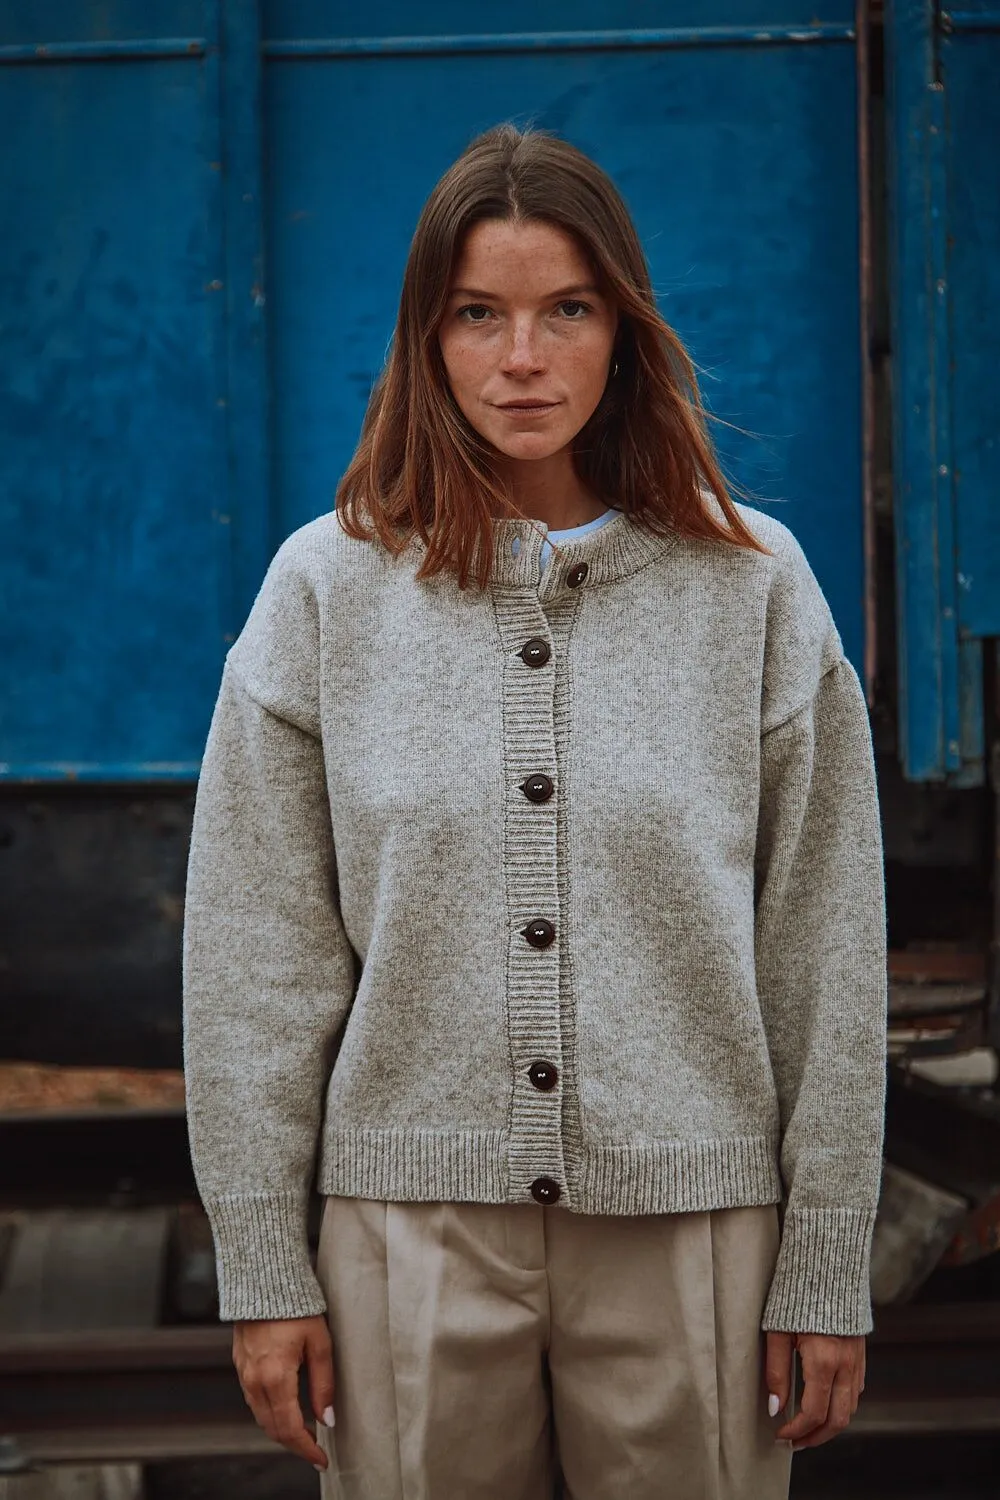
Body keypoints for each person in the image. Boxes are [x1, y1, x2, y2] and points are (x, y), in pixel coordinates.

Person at [182, 124, 887, 1500]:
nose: (524, 357)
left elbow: (825, 948)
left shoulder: (750, 584)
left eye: (567, 310)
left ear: (622, 329)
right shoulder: (326, 592)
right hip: (407, 1234)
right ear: (426, 340)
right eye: (479, 316)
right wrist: (264, 1263)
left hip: (696, 1224)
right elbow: (255, 961)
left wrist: (824, 1265)